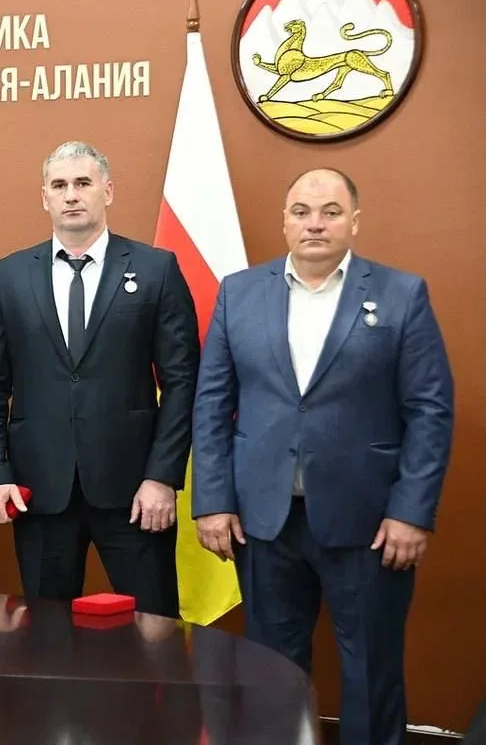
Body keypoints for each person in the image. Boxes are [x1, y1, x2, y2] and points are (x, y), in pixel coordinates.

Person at [191, 167, 454, 745]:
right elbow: (211, 404)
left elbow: (430, 411)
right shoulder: (239, 293)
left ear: (354, 221)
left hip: (370, 524)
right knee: (270, 673)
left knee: (371, 671)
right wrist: (212, 501)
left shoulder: (402, 295)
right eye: (302, 212)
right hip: (263, 521)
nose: (315, 223)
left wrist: (411, 512)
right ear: (284, 221)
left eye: (331, 212)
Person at [0, 141, 199, 616]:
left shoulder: (155, 270)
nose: (71, 195)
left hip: (135, 492)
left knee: (154, 632)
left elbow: (183, 382)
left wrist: (161, 477)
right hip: (40, 493)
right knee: (46, 635)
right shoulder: (9, 276)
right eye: (59, 185)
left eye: (83, 183)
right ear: (45, 197)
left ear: (107, 191)